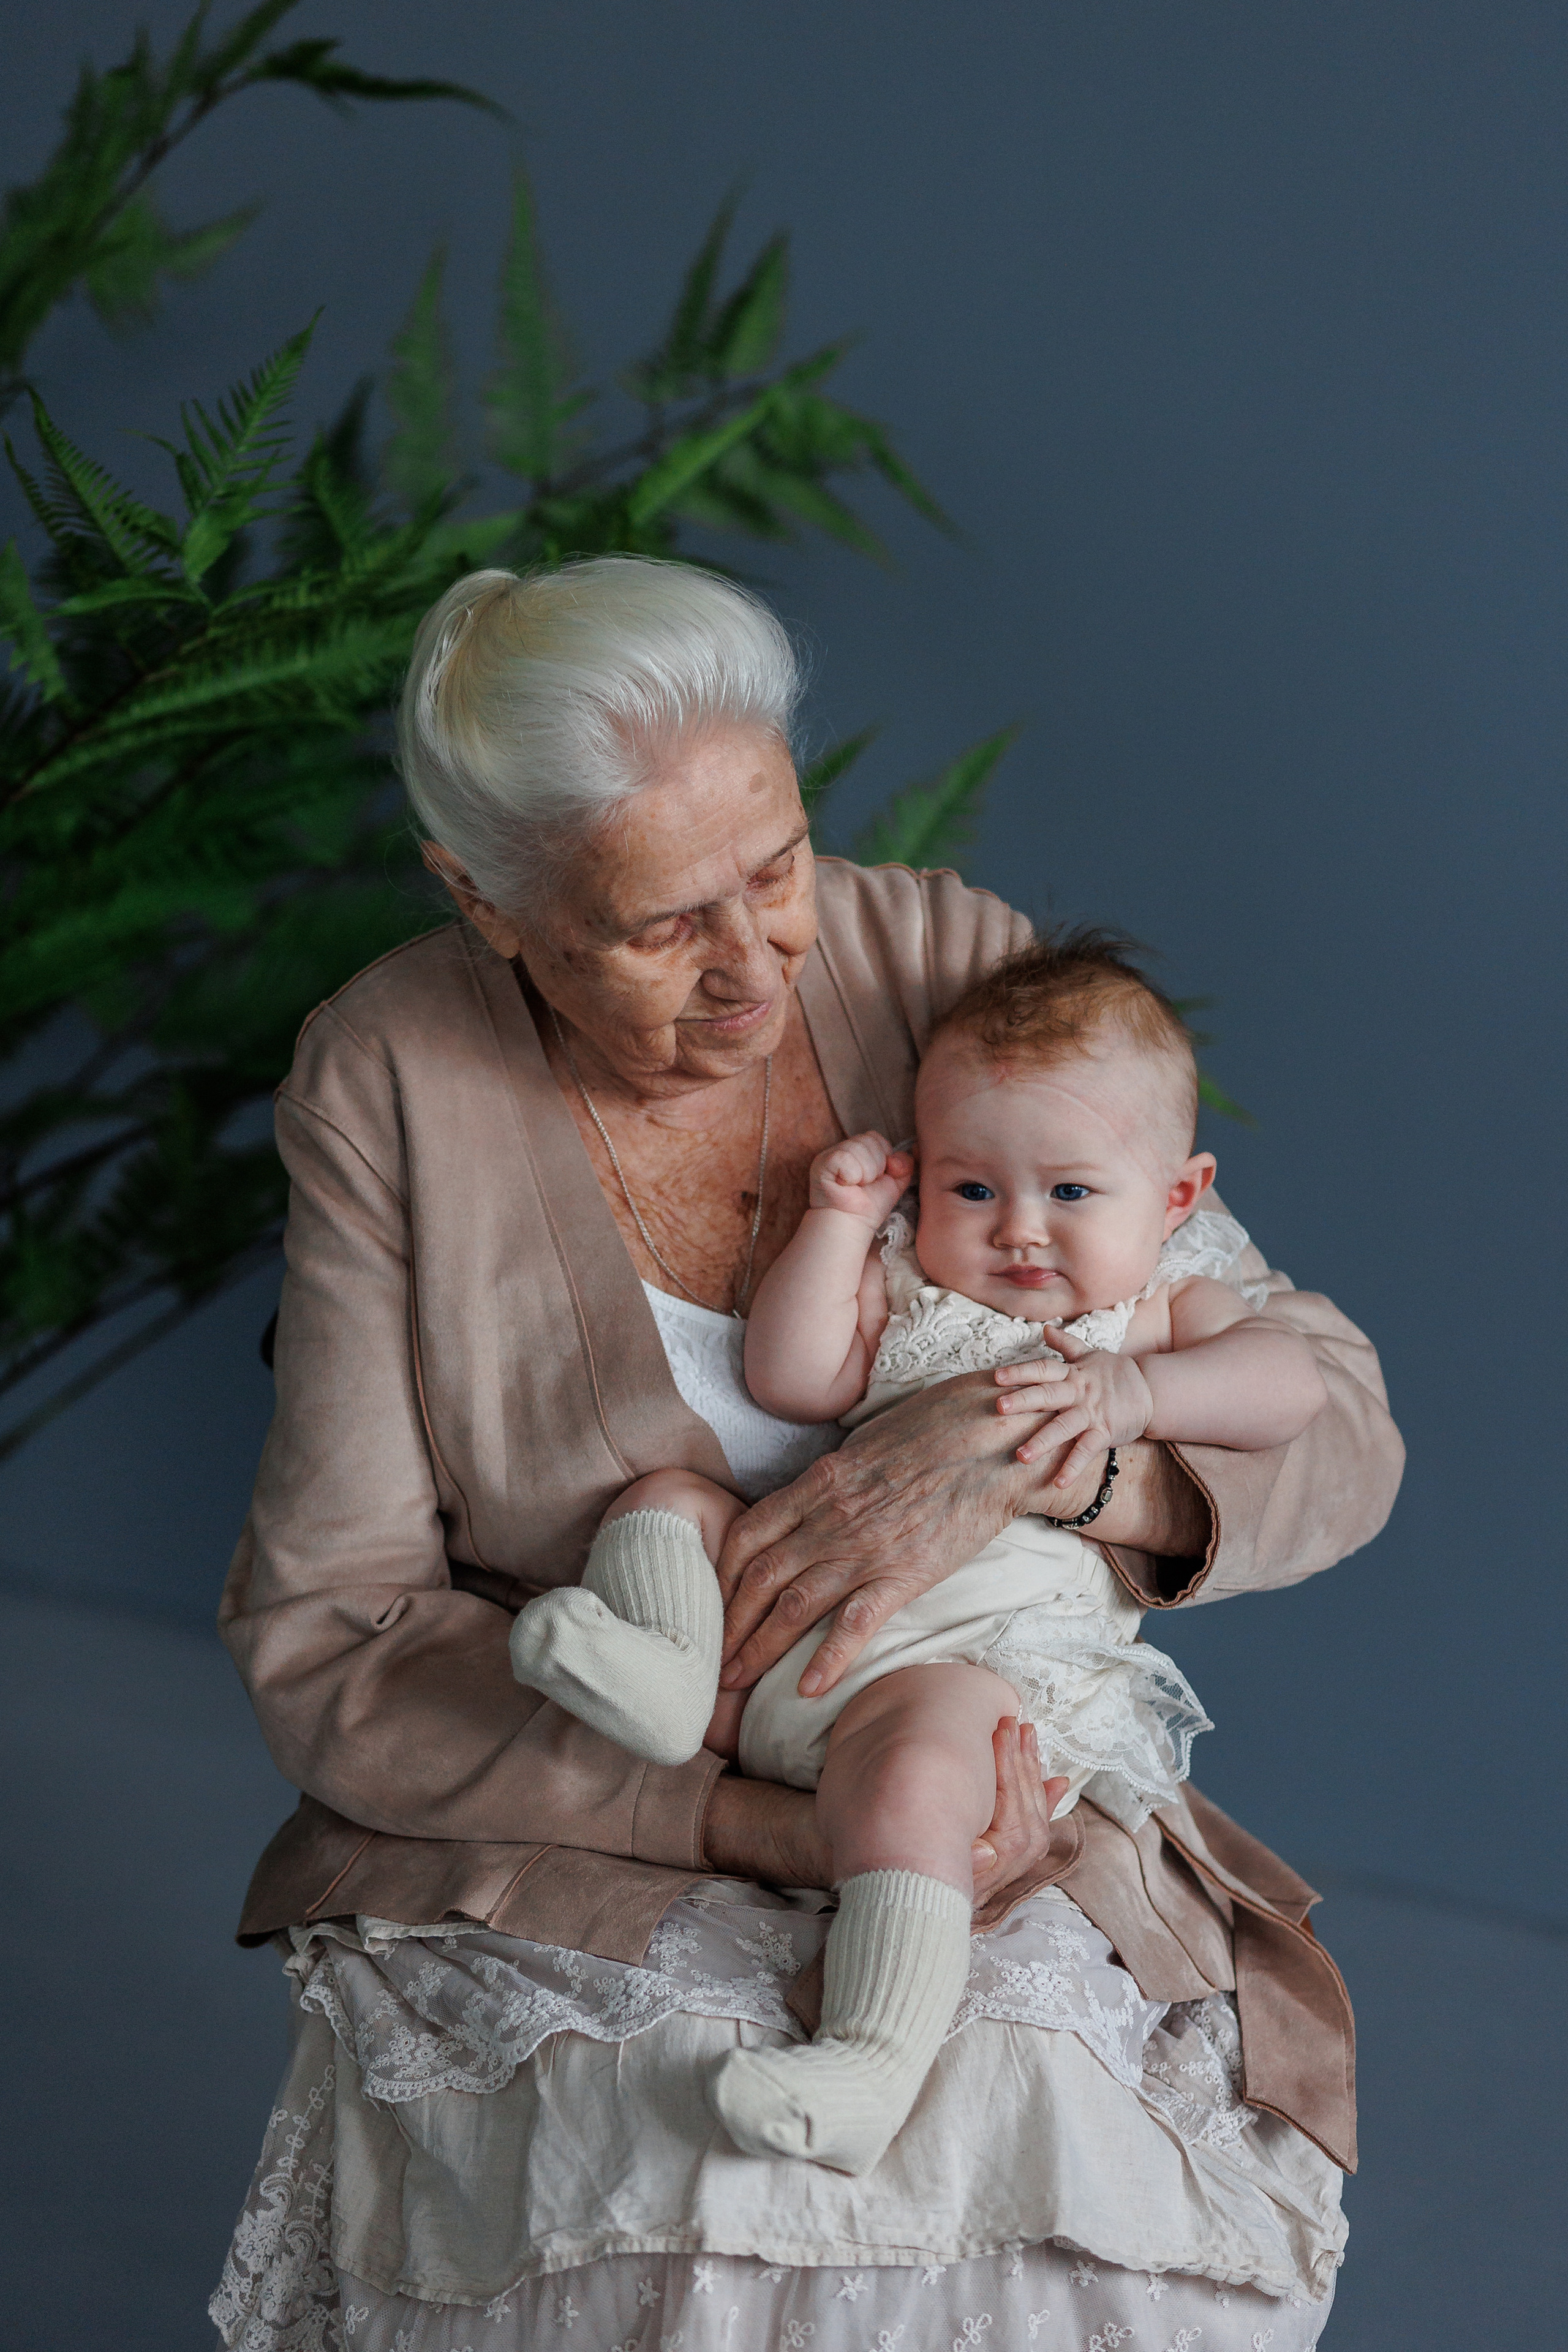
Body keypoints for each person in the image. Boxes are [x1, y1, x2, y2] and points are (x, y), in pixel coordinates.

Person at [211, 556, 1403, 2352]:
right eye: (657, 922)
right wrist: (748, 1821)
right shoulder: (390, 1075)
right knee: (686, 2160)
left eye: (776, 868)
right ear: (488, 903)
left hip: (962, 1756)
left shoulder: (944, 969)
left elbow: (1331, 1420)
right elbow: (336, 1635)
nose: (757, 957)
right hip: (593, 1799)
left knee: (1028, 2117)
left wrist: (1040, 1458)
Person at [509, 930, 1329, 2178]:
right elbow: (792, 1377)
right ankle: (667, 1674)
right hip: (769, 1646)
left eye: (1069, 1192)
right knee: (669, 1492)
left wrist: (1137, 1398)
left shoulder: (1153, 1313)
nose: (1017, 1232)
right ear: (920, 1180)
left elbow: (1291, 1388)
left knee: (913, 1787)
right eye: (969, 1187)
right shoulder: (905, 1281)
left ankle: (867, 2064)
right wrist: (837, 1230)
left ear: (1173, 1198)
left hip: (957, 1673)